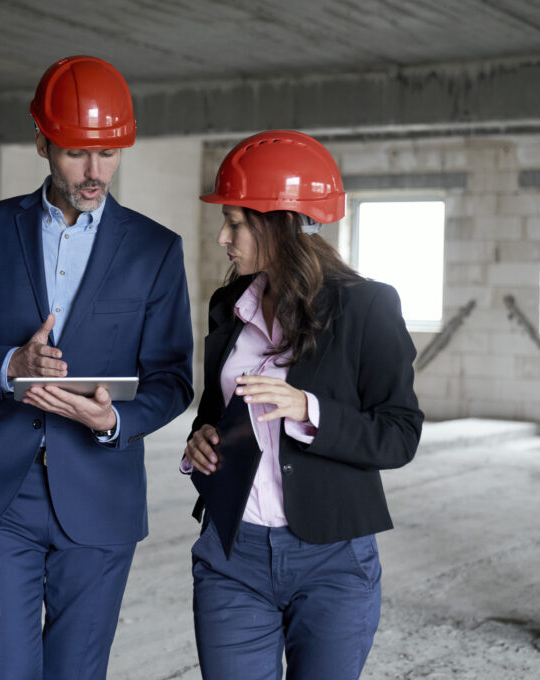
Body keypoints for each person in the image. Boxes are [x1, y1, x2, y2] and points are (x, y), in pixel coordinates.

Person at [0, 55, 193, 680]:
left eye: (109, 153)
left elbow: (173, 379)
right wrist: (8, 365)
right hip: (0, 492)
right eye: (78, 153)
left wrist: (113, 422)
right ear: (43, 142)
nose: (95, 171)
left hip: (100, 489)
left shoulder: (156, 249)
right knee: (2, 671)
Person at [183, 130, 424, 680]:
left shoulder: (367, 307)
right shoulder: (230, 303)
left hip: (333, 559)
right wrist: (200, 438)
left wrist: (307, 409)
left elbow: (400, 433)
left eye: (236, 223)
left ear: (282, 224)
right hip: (232, 554)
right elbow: (215, 408)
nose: (223, 236)